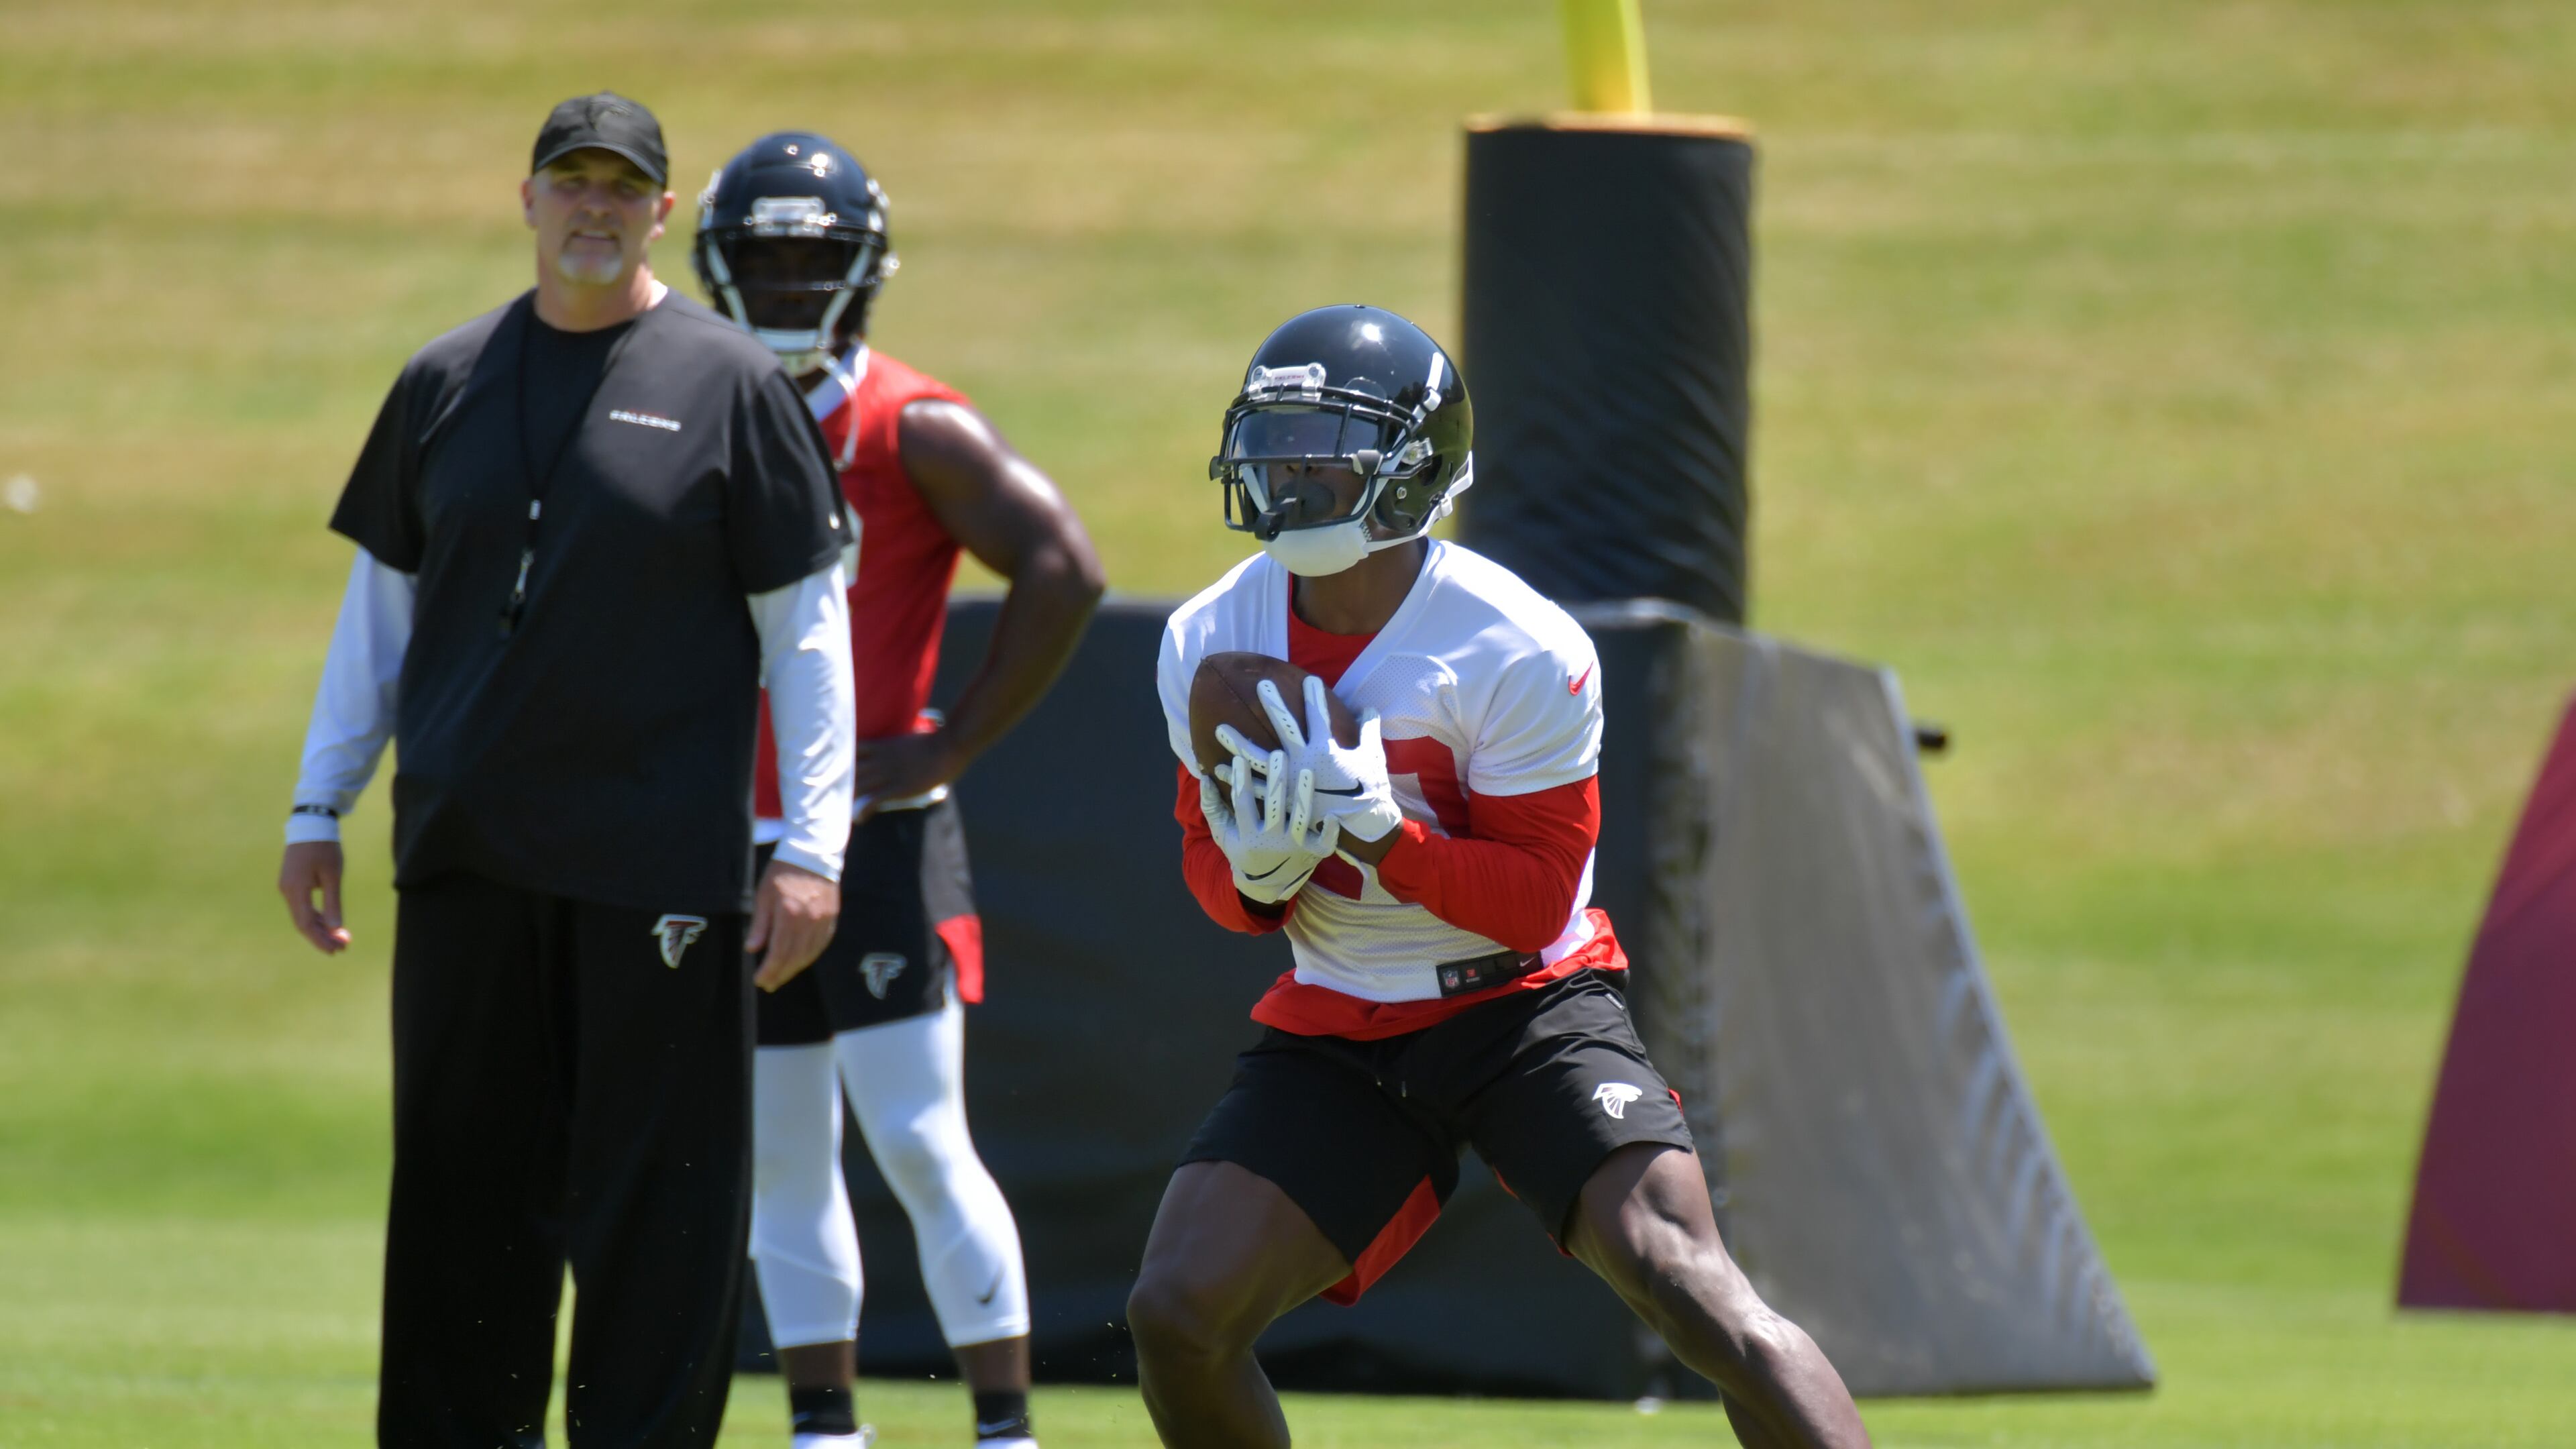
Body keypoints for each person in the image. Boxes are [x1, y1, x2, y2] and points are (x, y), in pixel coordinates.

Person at [1134, 305, 1876, 1449]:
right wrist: (1260, 874)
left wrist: (1385, 840)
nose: (1289, 472)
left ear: (1408, 472)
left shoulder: (1514, 642)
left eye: (1324, 447)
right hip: (1344, 1015)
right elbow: (1213, 878)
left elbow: (1536, 902)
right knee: (1178, 1314)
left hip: (1522, 1003)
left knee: (1685, 1283)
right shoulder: (1207, 635)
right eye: (1275, 442)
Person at [274, 94, 859, 1448]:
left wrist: (812, 847)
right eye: (569, 182)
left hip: (656, 871)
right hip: (470, 860)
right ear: (526, 200)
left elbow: (807, 640)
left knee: (662, 1215)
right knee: (459, 1209)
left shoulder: (731, 384)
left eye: (620, 187)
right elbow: (380, 616)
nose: (592, 207)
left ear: (662, 210)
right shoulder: (444, 379)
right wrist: (320, 803)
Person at [692, 131, 1105, 1449]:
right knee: (784, 1152)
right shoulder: (684, 411)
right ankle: (824, 1427)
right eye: (764, 256)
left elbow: (1062, 565)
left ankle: (1004, 1428)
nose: (788, 281)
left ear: (861, 270)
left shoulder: (907, 423)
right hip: (731, 837)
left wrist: (952, 743)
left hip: (876, 836)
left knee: (921, 1140)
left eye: (814, 257)